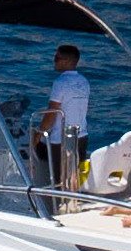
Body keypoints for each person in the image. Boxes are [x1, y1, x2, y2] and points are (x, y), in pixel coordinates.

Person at [32, 44, 91, 181]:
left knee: (61, 179)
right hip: (82, 136)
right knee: (75, 178)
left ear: (67, 61)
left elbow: (51, 114)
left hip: (62, 139)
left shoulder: (60, 82)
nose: (54, 61)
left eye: (57, 58)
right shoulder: (84, 82)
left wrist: (38, 134)